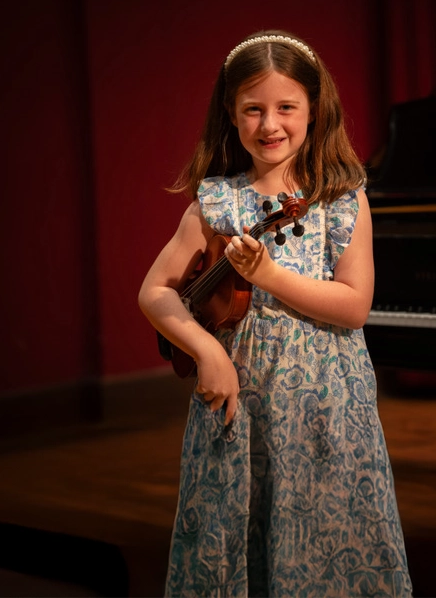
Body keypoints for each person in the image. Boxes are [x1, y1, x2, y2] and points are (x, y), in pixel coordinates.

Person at [138, 30, 412, 597]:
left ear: (314, 109)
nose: (270, 125)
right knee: (236, 543)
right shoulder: (216, 202)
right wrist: (208, 351)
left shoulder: (341, 196)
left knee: (331, 545)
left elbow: (355, 305)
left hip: (328, 415)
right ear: (231, 116)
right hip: (242, 414)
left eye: (286, 107)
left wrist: (269, 276)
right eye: (253, 110)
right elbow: (156, 291)